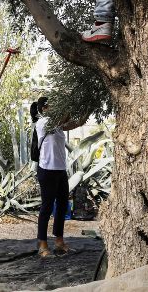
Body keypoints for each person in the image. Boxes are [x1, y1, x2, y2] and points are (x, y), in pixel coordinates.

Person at [33, 97, 84, 257]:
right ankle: (42, 244)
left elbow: (74, 123)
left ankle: (59, 242)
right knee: (47, 207)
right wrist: (68, 104)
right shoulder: (42, 123)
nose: (56, 107)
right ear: (44, 109)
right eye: (52, 105)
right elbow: (63, 118)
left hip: (60, 170)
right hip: (47, 170)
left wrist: (86, 111)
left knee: (62, 205)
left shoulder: (59, 126)